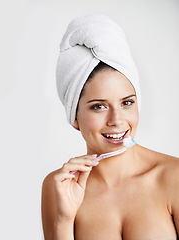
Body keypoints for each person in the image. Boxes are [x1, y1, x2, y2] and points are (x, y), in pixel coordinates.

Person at [41, 14, 179, 240]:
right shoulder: (59, 186)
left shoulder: (174, 176)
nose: (117, 120)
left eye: (127, 102)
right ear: (74, 117)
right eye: (99, 107)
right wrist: (65, 220)